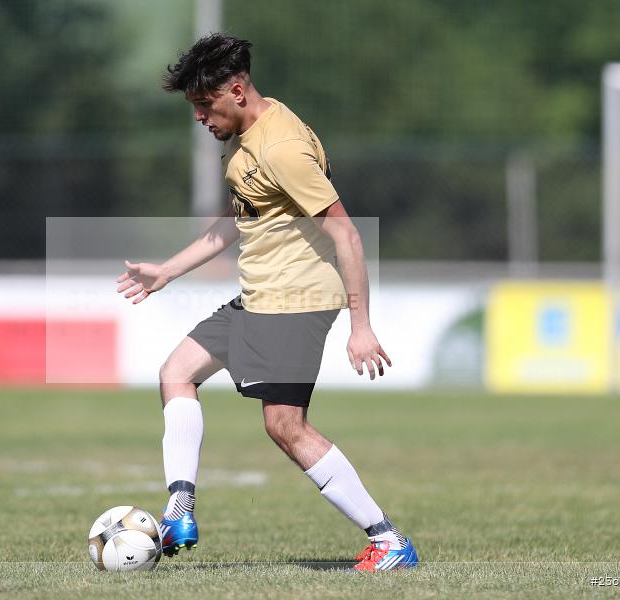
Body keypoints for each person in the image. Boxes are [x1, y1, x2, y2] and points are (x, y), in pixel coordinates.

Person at [115, 33, 418, 572]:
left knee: (285, 426)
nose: (200, 118)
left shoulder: (281, 149)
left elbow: (346, 235)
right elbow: (242, 217)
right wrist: (168, 270)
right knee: (176, 372)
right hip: (260, 295)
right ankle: (180, 509)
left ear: (236, 91)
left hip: (295, 300)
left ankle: (389, 539)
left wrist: (361, 324)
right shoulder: (244, 137)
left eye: (204, 106)